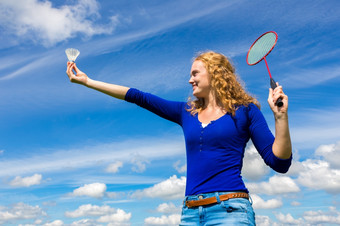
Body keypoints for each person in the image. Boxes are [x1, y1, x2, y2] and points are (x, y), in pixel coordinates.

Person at [66, 51, 292, 225]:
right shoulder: (187, 113)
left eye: (195, 73)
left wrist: (280, 117)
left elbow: (279, 162)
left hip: (230, 211)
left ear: (215, 74)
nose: (189, 80)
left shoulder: (245, 110)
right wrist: (88, 82)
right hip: (190, 213)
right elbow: (138, 96)